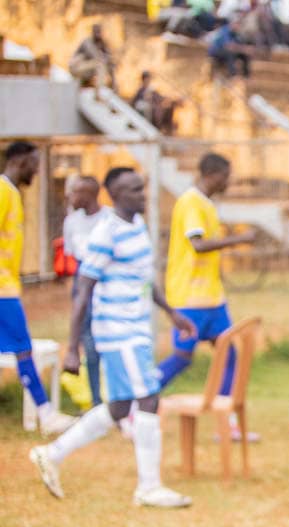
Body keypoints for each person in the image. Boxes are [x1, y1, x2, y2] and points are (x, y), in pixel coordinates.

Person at [28, 167, 197, 508]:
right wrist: (72, 347)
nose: (142, 194)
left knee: (121, 407)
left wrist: (171, 312)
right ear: (116, 195)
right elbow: (83, 291)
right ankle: (148, 487)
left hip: (137, 326)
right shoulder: (106, 233)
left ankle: (52, 453)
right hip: (117, 331)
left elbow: (144, 278)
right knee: (149, 398)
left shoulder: (137, 224)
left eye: (142, 187)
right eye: (134, 190)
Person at [155, 153, 257, 442]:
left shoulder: (206, 204)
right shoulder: (190, 202)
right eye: (227, 175)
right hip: (189, 297)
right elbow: (198, 245)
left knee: (229, 354)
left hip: (212, 298)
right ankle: (138, 400)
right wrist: (239, 239)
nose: (229, 181)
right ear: (213, 174)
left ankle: (227, 425)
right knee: (182, 358)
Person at [0, 141, 77, 436]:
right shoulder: (4, 190)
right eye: (34, 162)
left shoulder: (13, 193)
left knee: (21, 348)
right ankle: (45, 414)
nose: (37, 169)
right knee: (22, 348)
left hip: (8, 285)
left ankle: (45, 413)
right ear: (20, 160)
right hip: (2, 290)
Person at [62, 175, 113, 408]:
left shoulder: (110, 219)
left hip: (107, 282)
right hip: (82, 280)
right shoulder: (71, 221)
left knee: (109, 340)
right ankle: (96, 401)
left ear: (89, 194)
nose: (70, 197)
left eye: (75, 192)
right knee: (89, 342)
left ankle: (118, 398)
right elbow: (72, 255)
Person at [69, 24, 116, 89]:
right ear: (93, 32)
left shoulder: (100, 43)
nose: (98, 34)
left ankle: (110, 88)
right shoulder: (87, 42)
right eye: (96, 32)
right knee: (100, 65)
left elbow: (109, 61)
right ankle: (100, 91)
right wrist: (102, 49)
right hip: (76, 67)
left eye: (99, 32)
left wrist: (113, 81)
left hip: (85, 70)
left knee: (106, 65)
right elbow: (94, 56)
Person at [131, 71, 179, 135]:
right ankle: (156, 128)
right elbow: (136, 101)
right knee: (155, 109)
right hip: (146, 108)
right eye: (147, 78)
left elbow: (158, 97)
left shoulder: (151, 89)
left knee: (166, 108)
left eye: (149, 79)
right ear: (144, 79)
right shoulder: (141, 90)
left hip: (154, 106)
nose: (148, 80)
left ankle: (166, 128)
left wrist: (168, 99)